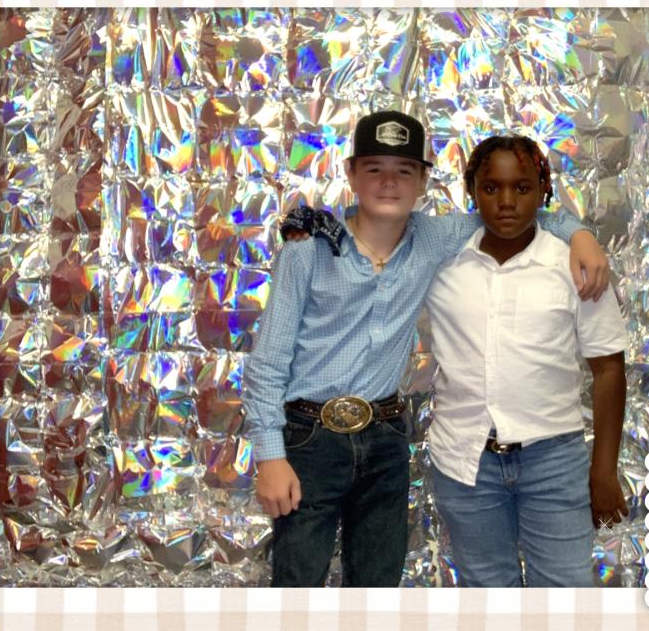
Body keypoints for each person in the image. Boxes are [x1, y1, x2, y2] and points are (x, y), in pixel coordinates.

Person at [243, 110, 611, 587]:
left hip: (383, 440)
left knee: (377, 582)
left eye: (404, 171)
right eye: (374, 168)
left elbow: (522, 211)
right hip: (309, 439)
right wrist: (270, 455)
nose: (388, 182)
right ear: (351, 174)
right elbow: (268, 364)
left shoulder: (435, 239)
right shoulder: (307, 250)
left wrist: (580, 234)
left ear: (423, 181)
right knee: (298, 582)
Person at [423, 135, 629, 587]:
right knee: (488, 593)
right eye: (490, 188)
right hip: (465, 461)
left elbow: (608, 367)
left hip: (553, 461)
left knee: (564, 592)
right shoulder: (442, 263)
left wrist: (603, 471)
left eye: (522, 188)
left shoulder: (574, 265)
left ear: (542, 191)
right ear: (472, 191)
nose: (506, 202)